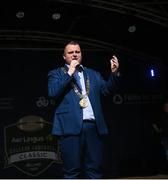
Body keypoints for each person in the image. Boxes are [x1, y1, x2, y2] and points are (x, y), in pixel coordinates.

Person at [47, 40, 120, 179]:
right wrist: (69, 73)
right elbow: (53, 92)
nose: (74, 55)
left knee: (94, 170)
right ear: (64, 57)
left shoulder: (93, 74)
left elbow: (106, 91)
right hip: (70, 128)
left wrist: (114, 74)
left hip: (93, 126)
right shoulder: (56, 73)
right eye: (71, 52)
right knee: (71, 171)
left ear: (81, 54)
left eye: (77, 52)